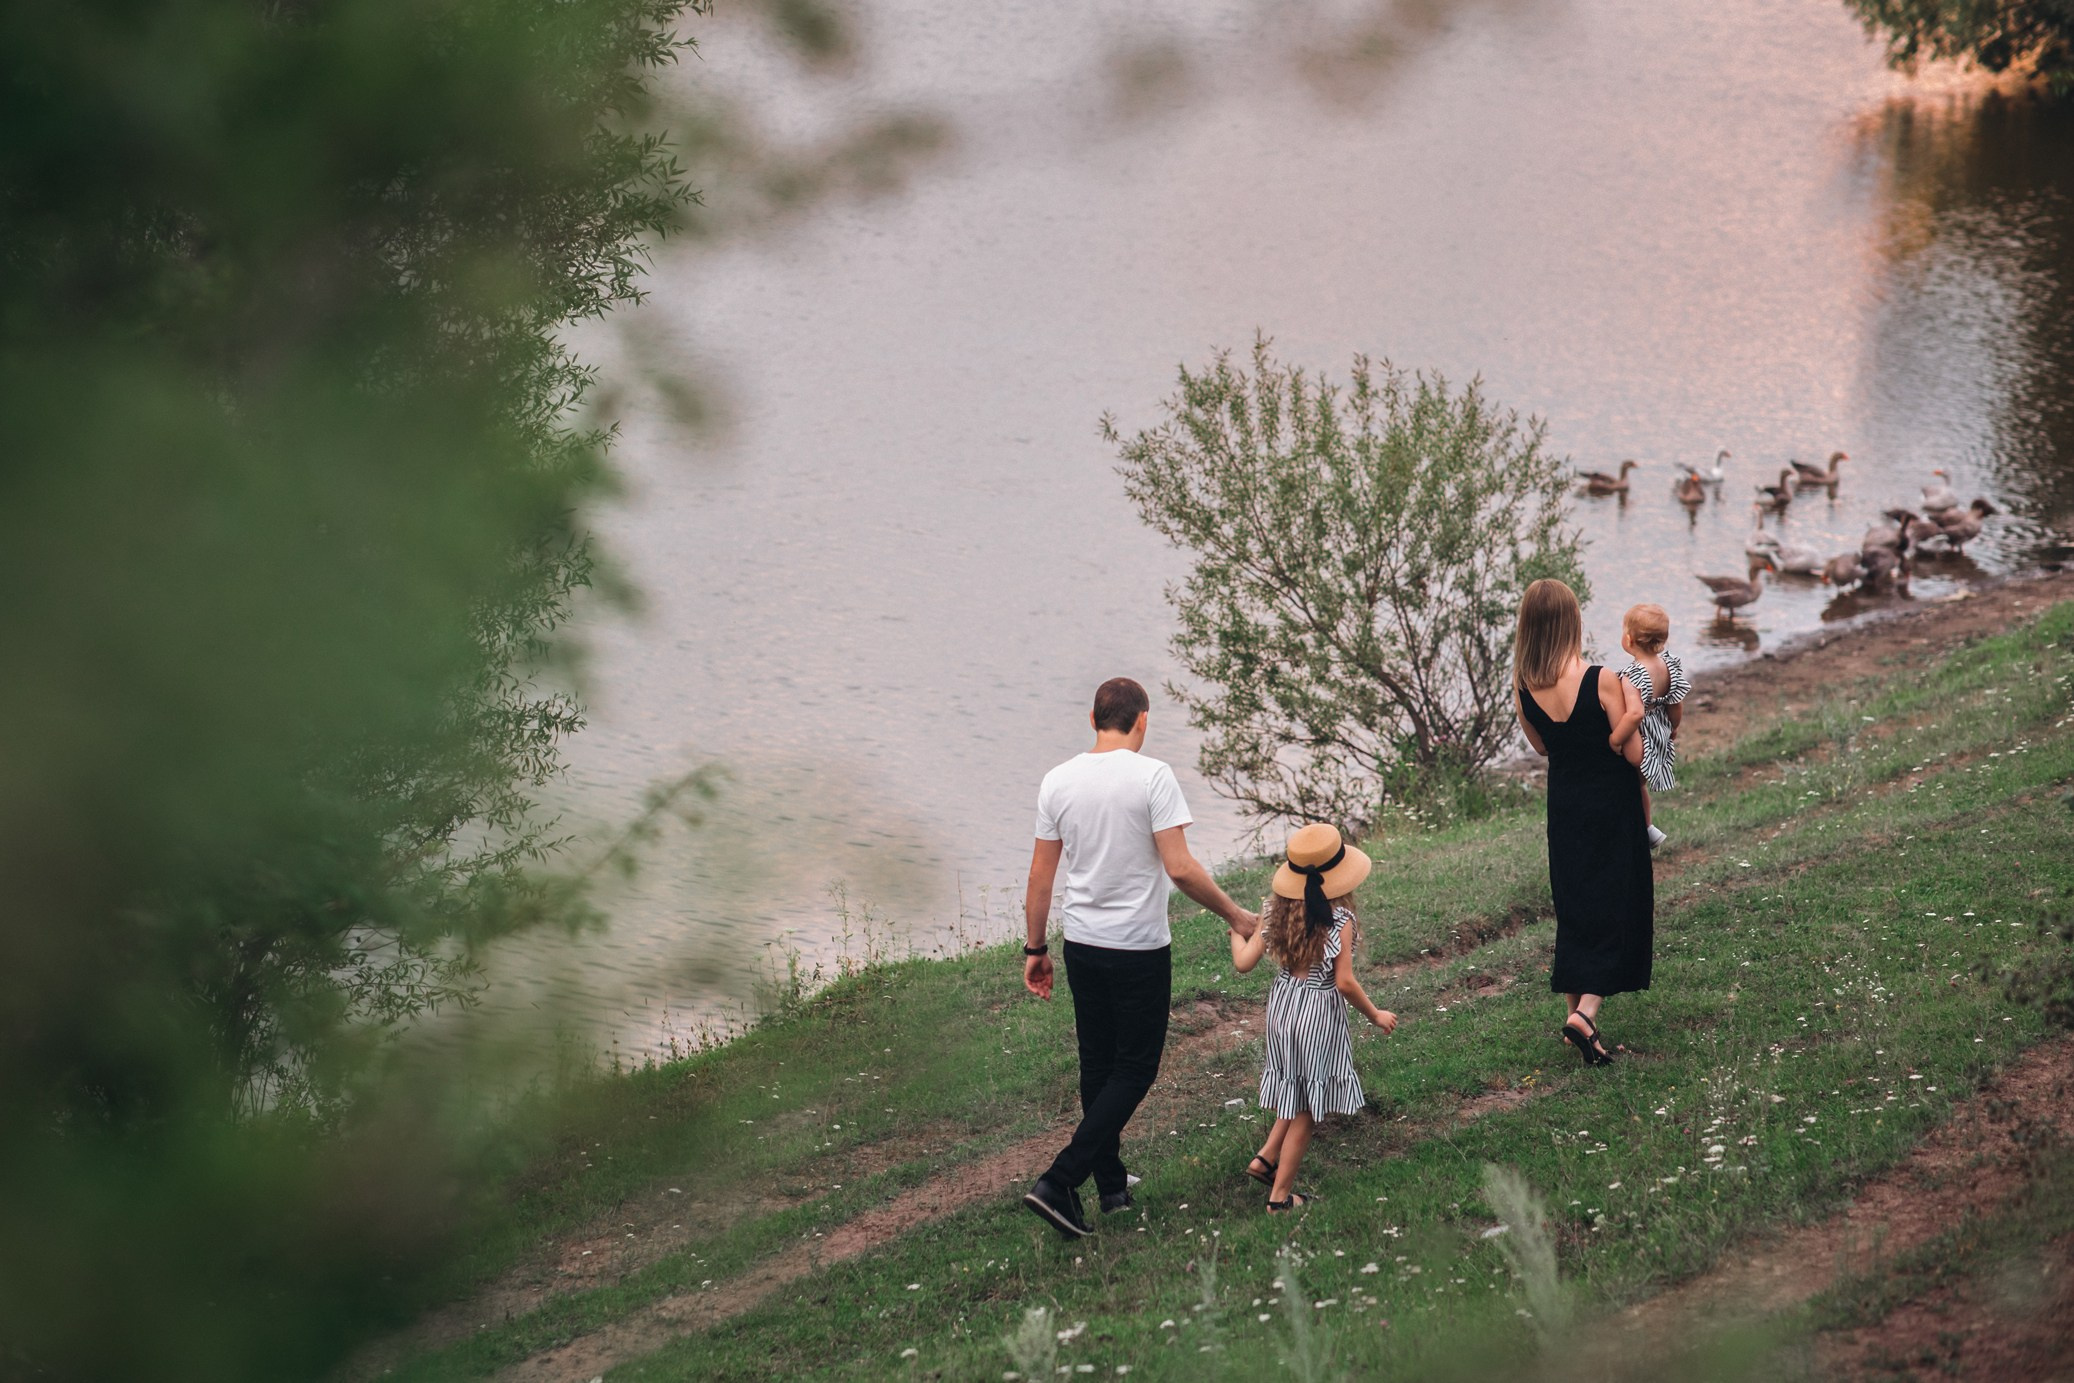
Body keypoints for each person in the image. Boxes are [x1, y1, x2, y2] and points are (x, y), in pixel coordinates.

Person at [1019, 677, 1260, 1239]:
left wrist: (1036, 949)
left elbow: (1040, 876)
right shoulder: (1153, 776)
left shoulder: (1058, 780)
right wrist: (1237, 917)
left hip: (1081, 945)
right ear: (1143, 720)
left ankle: (1110, 1189)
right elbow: (1179, 867)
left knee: (1097, 1065)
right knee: (1135, 1068)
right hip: (1137, 948)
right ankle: (1060, 1180)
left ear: (1093, 718)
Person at [1513, 580, 1653, 1066]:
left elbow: (1544, 747)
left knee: (1575, 907)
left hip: (1565, 805)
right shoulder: (1603, 679)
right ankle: (1586, 1014)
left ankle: (1579, 1028)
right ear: (1572, 622)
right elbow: (1632, 755)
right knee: (1618, 903)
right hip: (1612, 805)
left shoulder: (1523, 686)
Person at [1228, 823, 1395, 1211]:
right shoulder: (1341, 921)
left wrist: (1236, 931)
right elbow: (1346, 983)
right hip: (1317, 1012)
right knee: (1305, 1106)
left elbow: (1242, 963)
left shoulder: (1274, 912)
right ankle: (1280, 1199)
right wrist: (1375, 1015)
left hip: (1282, 1007)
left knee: (1294, 1085)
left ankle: (1266, 1158)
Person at [1616, 603, 1688, 850]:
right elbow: (1676, 702)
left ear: (1629, 639)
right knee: (1639, 784)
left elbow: (1635, 713)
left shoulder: (1632, 675)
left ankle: (1643, 827)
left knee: (1634, 781)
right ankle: (1648, 827)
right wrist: (1673, 728)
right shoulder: (1667, 664)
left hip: (1642, 735)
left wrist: (1616, 738)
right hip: (1660, 728)